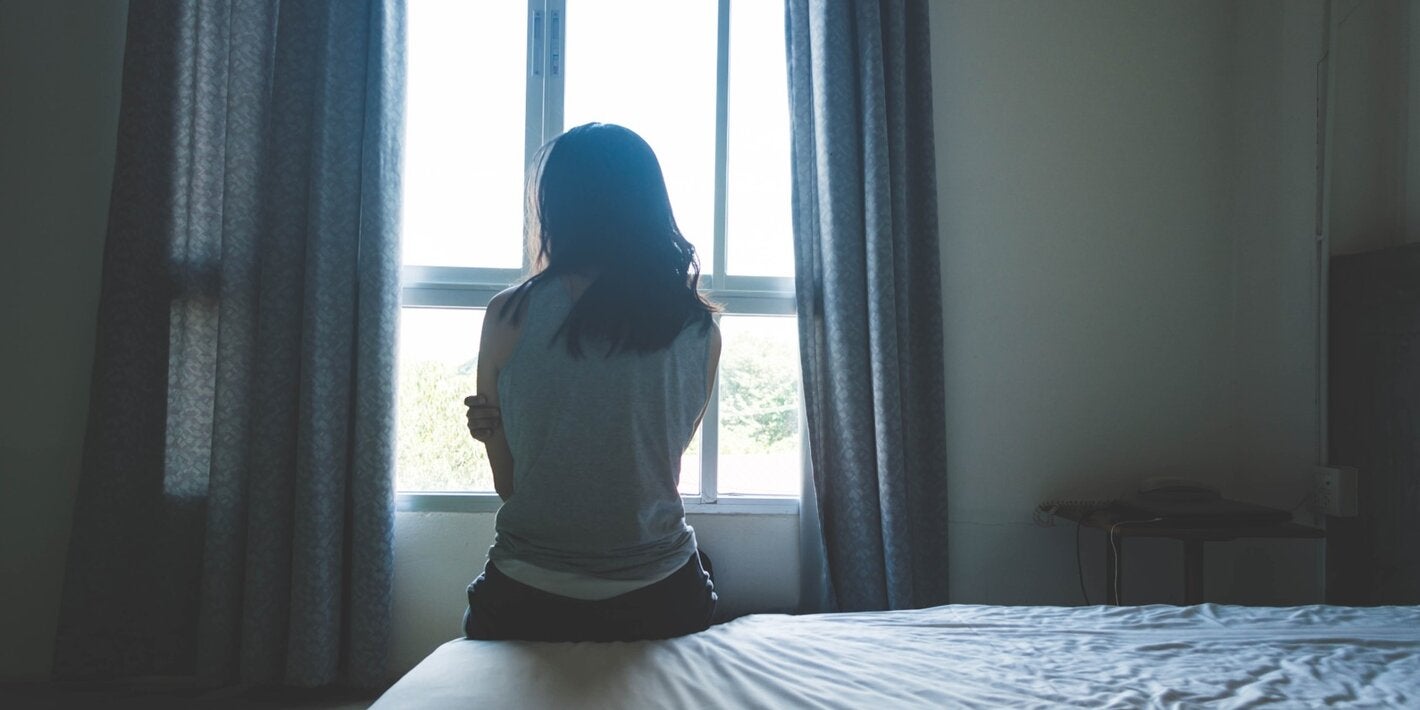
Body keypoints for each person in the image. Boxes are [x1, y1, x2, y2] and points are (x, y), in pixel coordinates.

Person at [460, 123, 721, 642]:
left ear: (555, 206)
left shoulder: (508, 314)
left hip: (526, 597)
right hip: (660, 596)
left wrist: (493, 431)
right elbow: (651, 468)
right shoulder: (699, 329)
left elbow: (511, 488)